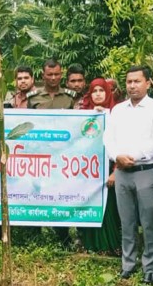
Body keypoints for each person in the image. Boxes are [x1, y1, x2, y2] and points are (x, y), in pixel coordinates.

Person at [103, 66, 153, 285]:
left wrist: (133, 156)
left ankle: (149, 267)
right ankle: (128, 264)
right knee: (127, 221)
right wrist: (117, 156)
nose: (132, 85)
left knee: (149, 222)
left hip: (147, 172)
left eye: (137, 81)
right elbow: (108, 138)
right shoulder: (118, 110)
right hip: (123, 173)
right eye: (129, 81)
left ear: (148, 83)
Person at [27, 59, 79, 247]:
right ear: (43, 75)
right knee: (36, 192)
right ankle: (34, 234)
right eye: (50, 75)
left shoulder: (69, 97)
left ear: (61, 74)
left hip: (61, 155)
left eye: (57, 74)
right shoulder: (33, 98)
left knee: (59, 193)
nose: (53, 78)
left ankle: (63, 236)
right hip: (38, 154)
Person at [78, 78, 121, 254]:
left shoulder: (117, 114)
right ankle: (89, 244)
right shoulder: (82, 113)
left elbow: (122, 142)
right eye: (94, 91)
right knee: (88, 204)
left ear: (108, 92)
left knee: (108, 208)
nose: (97, 94)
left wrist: (116, 171)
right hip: (86, 170)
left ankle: (110, 245)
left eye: (101, 90)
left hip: (108, 168)